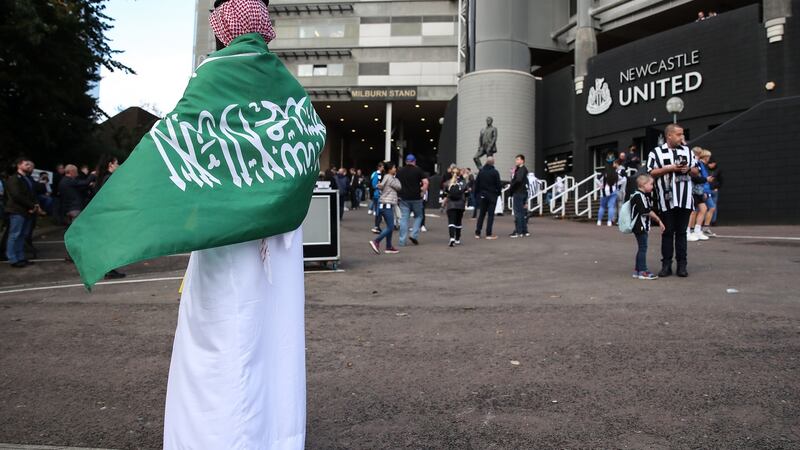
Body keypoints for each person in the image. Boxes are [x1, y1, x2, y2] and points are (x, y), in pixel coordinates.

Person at [647, 123, 701, 278]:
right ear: (669, 135)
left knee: (682, 233)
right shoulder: (656, 152)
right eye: (678, 134)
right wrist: (670, 168)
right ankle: (666, 265)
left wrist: (689, 169)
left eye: (682, 134)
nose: (681, 137)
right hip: (666, 199)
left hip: (684, 198)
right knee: (668, 232)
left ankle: (682, 266)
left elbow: (697, 171)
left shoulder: (687, 151)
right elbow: (652, 172)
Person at [4, 157, 41, 267]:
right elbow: (16, 195)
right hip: (17, 211)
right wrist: (31, 205)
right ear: (19, 165)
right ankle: (13, 259)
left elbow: (32, 193)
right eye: (26, 164)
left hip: (26, 211)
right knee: (14, 235)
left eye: (29, 165)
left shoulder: (26, 179)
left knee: (21, 235)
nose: (29, 166)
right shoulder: (14, 179)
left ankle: (20, 257)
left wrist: (35, 205)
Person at [94, 155, 126, 279]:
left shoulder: (104, 178)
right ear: (110, 165)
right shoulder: (108, 178)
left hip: (105, 215)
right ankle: (109, 269)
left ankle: (109, 268)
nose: (118, 165)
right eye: (117, 163)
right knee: (110, 243)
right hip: (108, 216)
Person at [629, 174, 665, 280]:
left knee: (641, 247)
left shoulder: (639, 195)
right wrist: (658, 220)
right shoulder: (640, 196)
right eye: (651, 184)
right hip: (640, 225)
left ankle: (638, 270)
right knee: (643, 248)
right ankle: (643, 271)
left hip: (639, 226)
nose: (652, 186)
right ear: (643, 185)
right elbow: (646, 211)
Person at [395, 154, 428, 246]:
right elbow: (426, 182)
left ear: (406, 161)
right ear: (414, 161)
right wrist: (422, 192)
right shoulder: (418, 170)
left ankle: (402, 241)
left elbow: (396, 184)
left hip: (404, 198)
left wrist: (398, 195)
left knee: (404, 219)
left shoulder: (400, 171)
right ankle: (414, 234)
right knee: (419, 216)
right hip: (416, 198)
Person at [369, 162, 401, 254]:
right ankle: (376, 241)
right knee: (390, 227)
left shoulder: (386, 177)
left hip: (384, 204)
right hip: (387, 204)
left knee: (389, 226)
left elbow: (381, 186)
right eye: (394, 167)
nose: (395, 169)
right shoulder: (390, 178)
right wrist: (397, 179)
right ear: (390, 169)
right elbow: (399, 187)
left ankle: (389, 246)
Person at [474, 156, 501, 239]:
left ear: (486, 162)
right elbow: (498, 185)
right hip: (492, 196)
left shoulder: (481, 172)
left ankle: (477, 232)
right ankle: (488, 234)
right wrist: (498, 194)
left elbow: (477, 184)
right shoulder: (495, 172)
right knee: (490, 215)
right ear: (493, 162)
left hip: (483, 195)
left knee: (481, 214)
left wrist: (477, 195)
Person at [442, 167, 467, 246]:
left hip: (451, 204)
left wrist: (443, 203)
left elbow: (444, 194)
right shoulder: (463, 182)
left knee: (451, 222)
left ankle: (452, 238)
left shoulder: (447, 183)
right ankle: (457, 239)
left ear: (451, 173)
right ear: (460, 173)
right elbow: (467, 194)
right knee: (458, 222)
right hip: (461, 205)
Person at [509, 154, 529, 238]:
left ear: (522, 160)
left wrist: (511, 187)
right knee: (521, 213)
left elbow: (518, 180)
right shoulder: (523, 170)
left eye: (518, 159)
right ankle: (524, 231)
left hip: (518, 193)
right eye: (516, 159)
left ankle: (518, 231)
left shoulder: (521, 169)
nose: (516, 161)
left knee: (518, 213)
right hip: (523, 193)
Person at [596, 161, 620, 227]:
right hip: (613, 191)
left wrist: (600, 185)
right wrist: (617, 185)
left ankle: (599, 221)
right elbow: (623, 179)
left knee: (602, 207)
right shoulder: (616, 173)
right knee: (611, 207)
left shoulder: (604, 173)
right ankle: (609, 222)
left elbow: (596, 180)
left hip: (604, 192)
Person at [707, 157, 721, 225]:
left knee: (713, 206)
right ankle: (707, 221)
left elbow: (721, 180)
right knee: (707, 206)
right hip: (708, 190)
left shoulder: (718, 170)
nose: (710, 165)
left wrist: (717, 187)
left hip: (714, 190)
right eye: (709, 163)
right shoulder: (706, 170)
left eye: (711, 163)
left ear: (714, 163)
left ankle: (713, 221)